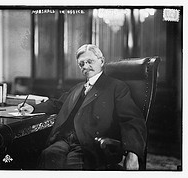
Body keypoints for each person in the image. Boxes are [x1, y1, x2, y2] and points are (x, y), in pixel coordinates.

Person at [18, 44, 147, 170]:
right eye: (81, 64)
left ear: (101, 61)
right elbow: (58, 103)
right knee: (48, 156)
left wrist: (132, 153)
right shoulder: (78, 87)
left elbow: (131, 119)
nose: (85, 66)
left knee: (71, 166)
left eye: (89, 61)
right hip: (67, 140)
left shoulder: (116, 87)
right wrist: (33, 108)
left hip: (92, 144)